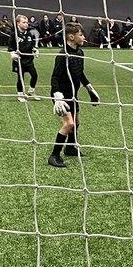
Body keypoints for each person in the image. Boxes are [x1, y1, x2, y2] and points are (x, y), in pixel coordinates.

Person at [48, 21, 100, 167]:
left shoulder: (80, 52)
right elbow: (55, 77)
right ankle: (54, 155)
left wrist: (90, 89)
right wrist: (57, 96)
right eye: (81, 35)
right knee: (69, 123)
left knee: (76, 122)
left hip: (73, 94)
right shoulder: (62, 55)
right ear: (71, 37)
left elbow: (80, 73)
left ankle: (70, 148)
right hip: (61, 95)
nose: (84, 37)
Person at [9, 14, 40, 101]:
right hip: (19, 60)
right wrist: (12, 54)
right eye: (24, 22)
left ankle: (31, 90)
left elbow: (31, 44)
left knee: (34, 75)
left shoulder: (29, 33)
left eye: (27, 22)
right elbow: (10, 47)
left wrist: (35, 50)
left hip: (29, 60)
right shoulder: (14, 34)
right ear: (18, 23)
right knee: (21, 78)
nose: (26, 24)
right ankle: (20, 95)